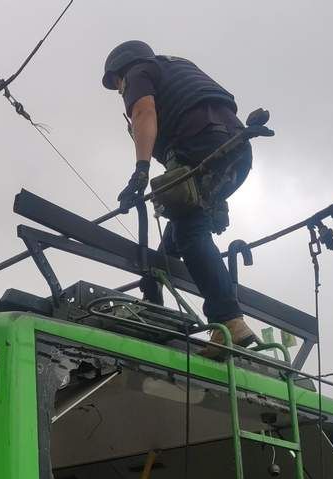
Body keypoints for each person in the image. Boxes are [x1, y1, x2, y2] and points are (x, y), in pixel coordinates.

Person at [103, 40, 255, 358]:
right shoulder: (177, 66)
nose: (120, 91)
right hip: (237, 149)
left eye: (117, 85)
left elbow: (144, 112)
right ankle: (153, 294)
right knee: (181, 232)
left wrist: (140, 172)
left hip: (199, 145)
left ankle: (229, 321)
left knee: (190, 233)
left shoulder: (138, 72)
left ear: (121, 70)